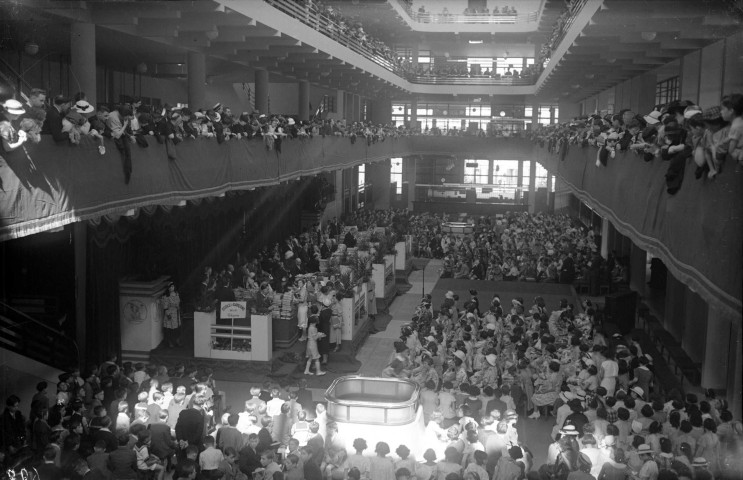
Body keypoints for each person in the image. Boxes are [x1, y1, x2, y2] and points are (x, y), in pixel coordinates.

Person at [160, 282, 182, 348]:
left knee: (177, 328)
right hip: (170, 314)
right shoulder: (166, 296)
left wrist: (178, 307)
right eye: (170, 287)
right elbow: (165, 307)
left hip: (176, 313)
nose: (172, 288)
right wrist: (168, 314)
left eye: (173, 286)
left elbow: (178, 303)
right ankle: (170, 342)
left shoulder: (176, 294)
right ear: (168, 288)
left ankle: (177, 341)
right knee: (169, 329)